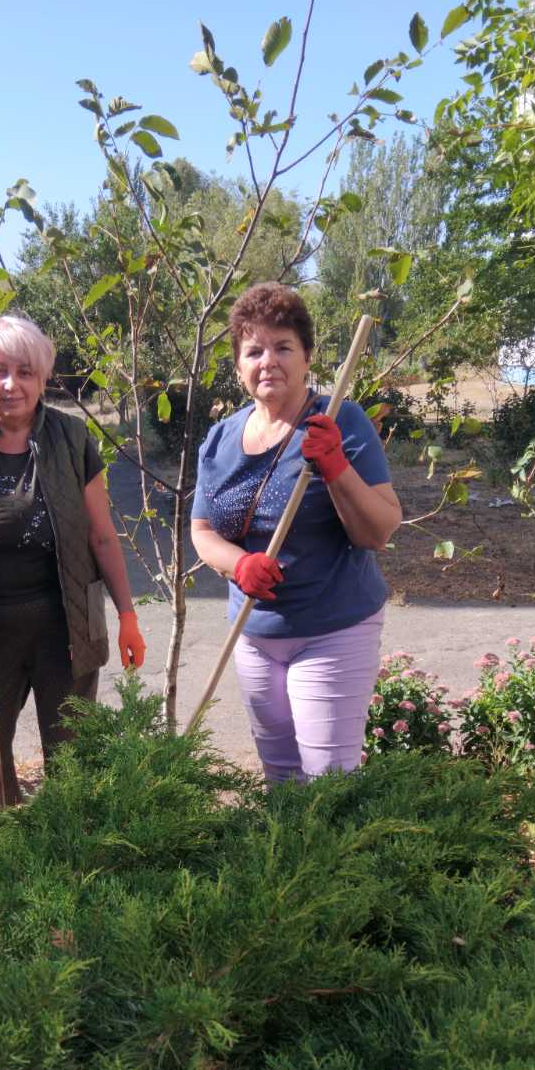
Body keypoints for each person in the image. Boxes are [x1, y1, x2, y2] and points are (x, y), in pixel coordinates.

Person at [0, 315, 144, 805]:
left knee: (72, 750)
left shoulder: (71, 437)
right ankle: (2, 844)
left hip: (66, 626)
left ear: (43, 378)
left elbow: (102, 537)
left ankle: (66, 851)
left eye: (25, 372)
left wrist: (127, 616)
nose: (11, 384)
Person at [190, 283, 401, 785]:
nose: (269, 361)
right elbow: (201, 531)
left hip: (333, 631)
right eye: (254, 350)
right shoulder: (221, 438)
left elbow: (380, 530)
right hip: (254, 634)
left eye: (283, 347)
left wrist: (335, 467)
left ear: (307, 356)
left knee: (328, 780)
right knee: (281, 778)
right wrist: (237, 564)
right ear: (239, 365)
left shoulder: (339, 421)